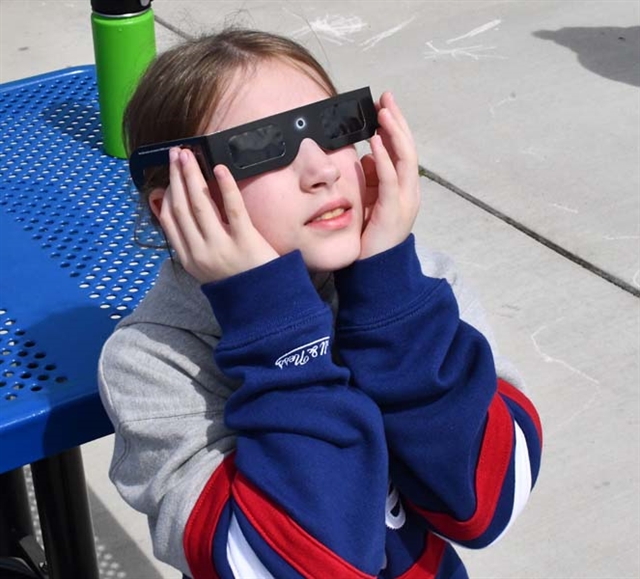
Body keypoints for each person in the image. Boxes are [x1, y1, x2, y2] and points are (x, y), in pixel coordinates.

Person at [98, 28, 543, 579]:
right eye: (261, 146)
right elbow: (307, 565)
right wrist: (276, 329)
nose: (323, 169)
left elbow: (484, 504)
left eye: (334, 127)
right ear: (181, 205)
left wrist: (392, 304)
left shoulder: (415, 287)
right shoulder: (155, 359)